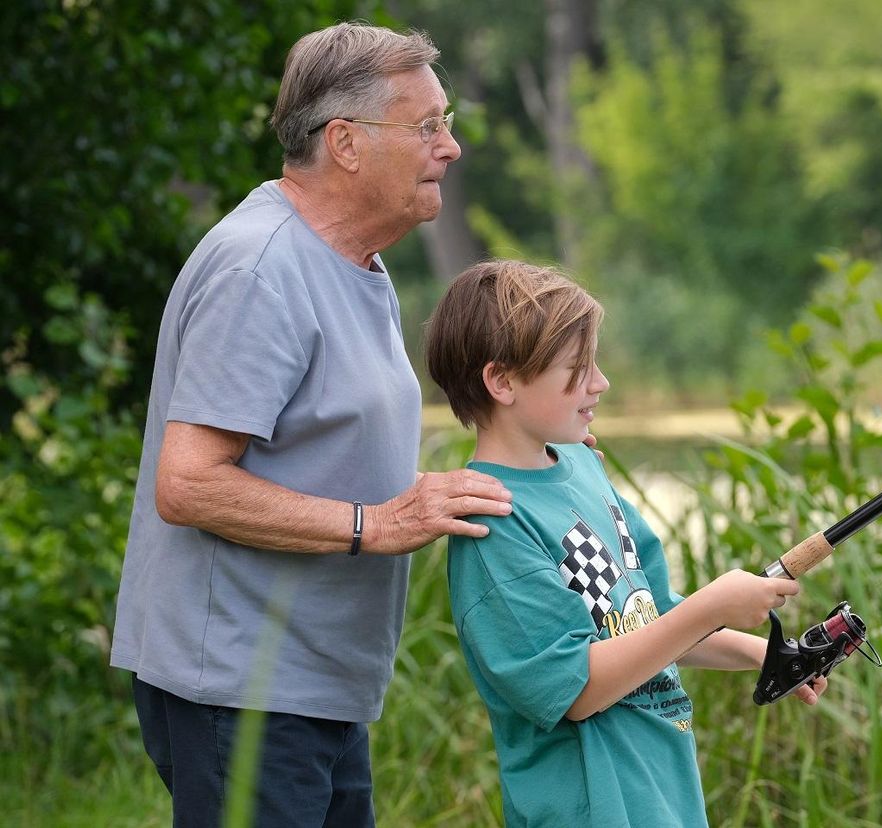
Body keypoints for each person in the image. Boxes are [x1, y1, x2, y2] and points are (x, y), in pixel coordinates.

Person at [109, 23, 516, 828]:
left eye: (449, 120)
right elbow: (187, 484)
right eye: (427, 125)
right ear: (346, 144)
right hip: (240, 688)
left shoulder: (356, 263)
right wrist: (376, 524)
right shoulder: (259, 270)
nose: (452, 147)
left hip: (313, 686)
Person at [423, 259, 828, 828]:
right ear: (503, 381)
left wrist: (756, 652)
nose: (600, 383)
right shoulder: (494, 525)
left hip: (663, 794)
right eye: (577, 368)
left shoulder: (585, 469)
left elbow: (646, 623)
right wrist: (713, 604)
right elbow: (578, 688)